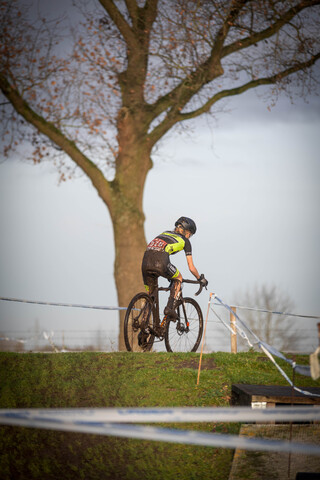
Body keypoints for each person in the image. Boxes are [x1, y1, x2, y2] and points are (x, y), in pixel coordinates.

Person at [141, 216, 208, 318]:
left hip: (145, 262)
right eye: (190, 234)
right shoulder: (185, 240)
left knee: (151, 296)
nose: (189, 236)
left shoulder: (165, 233)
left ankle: (143, 324)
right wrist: (200, 278)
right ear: (188, 232)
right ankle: (170, 308)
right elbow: (191, 267)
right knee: (178, 278)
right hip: (160, 262)